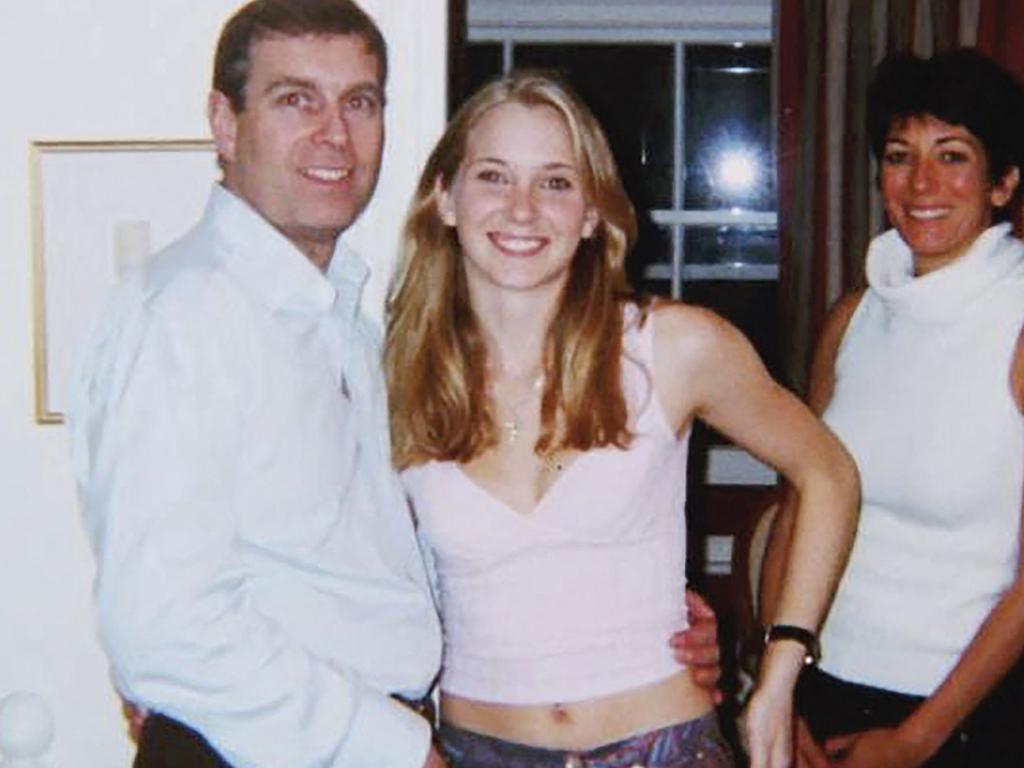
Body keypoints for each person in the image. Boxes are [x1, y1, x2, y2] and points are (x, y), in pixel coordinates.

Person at [66, 3, 722, 767]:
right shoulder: (184, 315)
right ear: (224, 120)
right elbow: (164, 625)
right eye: (295, 98)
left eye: (360, 102)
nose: (334, 135)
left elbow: (377, 568)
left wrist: (619, 619)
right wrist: (393, 746)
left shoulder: (352, 325)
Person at [385, 70, 860, 768]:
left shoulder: (674, 347)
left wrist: (781, 669)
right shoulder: (392, 374)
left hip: (666, 748)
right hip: (473, 752)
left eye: (555, 182)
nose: (522, 209)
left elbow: (828, 473)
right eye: (493, 176)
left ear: (589, 215)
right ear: (445, 199)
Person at [760, 48, 1024, 768]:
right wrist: (779, 684)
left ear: (1004, 183)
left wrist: (919, 737)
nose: (922, 183)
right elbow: (795, 511)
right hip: (823, 691)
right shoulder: (851, 319)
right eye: (899, 156)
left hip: (968, 714)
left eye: (953, 156)